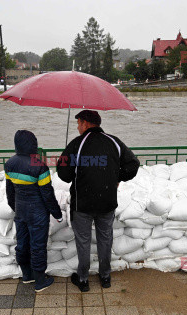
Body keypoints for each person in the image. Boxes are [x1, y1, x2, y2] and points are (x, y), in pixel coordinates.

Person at [56, 110, 140, 292]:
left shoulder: (77, 144)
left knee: (83, 241)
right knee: (105, 239)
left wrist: (68, 166)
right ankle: (105, 277)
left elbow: (64, 175)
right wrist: (116, 177)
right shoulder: (114, 142)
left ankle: (84, 280)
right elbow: (133, 164)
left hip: (82, 205)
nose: (78, 127)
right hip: (107, 202)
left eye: (78, 123)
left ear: (85, 123)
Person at [5, 130, 63, 292]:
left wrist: (15, 208)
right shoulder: (40, 166)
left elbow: (10, 191)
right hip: (37, 213)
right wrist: (57, 214)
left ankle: (26, 275)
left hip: (20, 210)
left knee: (22, 243)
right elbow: (47, 194)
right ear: (33, 145)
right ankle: (39, 281)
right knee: (37, 246)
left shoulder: (9, 164)